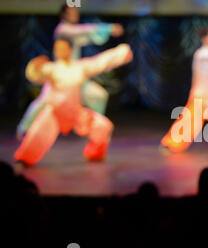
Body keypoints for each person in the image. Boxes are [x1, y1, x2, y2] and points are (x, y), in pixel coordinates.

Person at [14, 38, 133, 166]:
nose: (60, 51)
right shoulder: (51, 68)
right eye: (58, 49)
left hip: (75, 112)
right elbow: (36, 75)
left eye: (63, 48)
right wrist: (35, 67)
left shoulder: (79, 67)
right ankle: (24, 158)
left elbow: (100, 62)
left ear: (70, 50)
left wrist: (121, 53)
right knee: (38, 134)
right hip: (55, 112)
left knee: (102, 126)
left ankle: (94, 153)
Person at [16, 5, 124, 140]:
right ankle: (24, 129)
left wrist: (106, 32)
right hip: (59, 77)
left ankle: (95, 129)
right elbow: (83, 31)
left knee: (98, 96)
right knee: (43, 101)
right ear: (63, 15)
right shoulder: (63, 29)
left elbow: (88, 36)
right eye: (71, 12)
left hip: (75, 75)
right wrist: (108, 28)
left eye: (76, 12)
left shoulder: (74, 31)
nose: (75, 14)